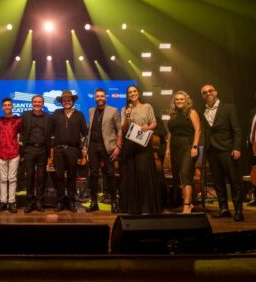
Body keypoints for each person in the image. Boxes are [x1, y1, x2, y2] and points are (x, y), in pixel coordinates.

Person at [200, 84, 244, 221]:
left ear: (216, 92)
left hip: (227, 149)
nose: (208, 93)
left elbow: (237, 129)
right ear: (202, 96)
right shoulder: (203, 111)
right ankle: (223, 208)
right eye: (204, 92)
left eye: (210, 91)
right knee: (218, 182)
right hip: (212, 151)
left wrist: (237, 148)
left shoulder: (228, 107)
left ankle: (238, 210)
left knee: (234, 181)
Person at [120, 85, 163, 214]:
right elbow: (124, 129)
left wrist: (148, 127)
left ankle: (146, 207)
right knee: (132, 176)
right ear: (127, 96)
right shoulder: (124, 109)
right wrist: (127, 117)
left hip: (144, 144)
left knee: (144, 174)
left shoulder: (147, 106)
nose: (132, 94)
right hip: (130, 145)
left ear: (138, 93)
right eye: (129, 92)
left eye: (134, 91)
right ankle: (133, 208)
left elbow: (154, 123)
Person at [50, 90, 87, 213]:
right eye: (64, 100)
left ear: (73, 101)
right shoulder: (56, 113)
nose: (67, 102)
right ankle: (60, 201)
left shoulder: (79, 115)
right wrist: (51, 150)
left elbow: (84, 135)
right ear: (61, 102)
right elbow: (50, 132)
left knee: (71, 176)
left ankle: (71, 201)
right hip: (58, 150)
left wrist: (84, 150)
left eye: (69, 100)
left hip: (73, 149)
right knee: (59, 176)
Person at [86, 88, 121, 213]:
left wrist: (118, 147)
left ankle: (114, 204)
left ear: (105, 97)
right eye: (97, 96)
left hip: (108, 147)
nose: (99, 98)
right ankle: (94, 202)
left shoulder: (114, 110)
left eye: (102, 96)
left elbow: (120, 131)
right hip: (93, 147)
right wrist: (86, 148)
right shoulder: (91, 111)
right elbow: (89, 129)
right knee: (93, 175)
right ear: (95, 98)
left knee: (110, 175)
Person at [166, 91, 202, 213]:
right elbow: (170, 132)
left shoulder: (192, 112)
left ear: (186, 100)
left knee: (186, 174)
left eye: (181, 99)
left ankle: (186, 204)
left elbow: (198, 130)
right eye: (177, 99)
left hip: (188, 146)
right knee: (179, 176)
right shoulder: (173, 114)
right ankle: (187, 203)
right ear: (174, 102)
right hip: (175, 147)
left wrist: (195, 147)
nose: (179, 101)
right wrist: (168, 148)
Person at [21, 94, 52, 213]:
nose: (37, 104)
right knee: (29, 176)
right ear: (32, 103)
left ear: (43, 104)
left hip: (43, 150)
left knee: (41, 176)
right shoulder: (25, 115)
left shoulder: (48, 117)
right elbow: (22, 131)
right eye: (35, 102)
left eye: (39, 102)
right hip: (29, 149)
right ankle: (29, 201)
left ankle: (39, 201)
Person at [0, 97, 22, 213]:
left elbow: (22, 134)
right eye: (5, 105)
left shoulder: (18, 120)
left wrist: (21, 146)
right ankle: (3, 202)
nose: (7, 107)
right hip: (1, 152)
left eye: (9, 105)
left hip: (14, 152)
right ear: (2, 107)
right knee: (2, 179)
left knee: (12, 179)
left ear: (12, 106)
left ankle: (11, 202)